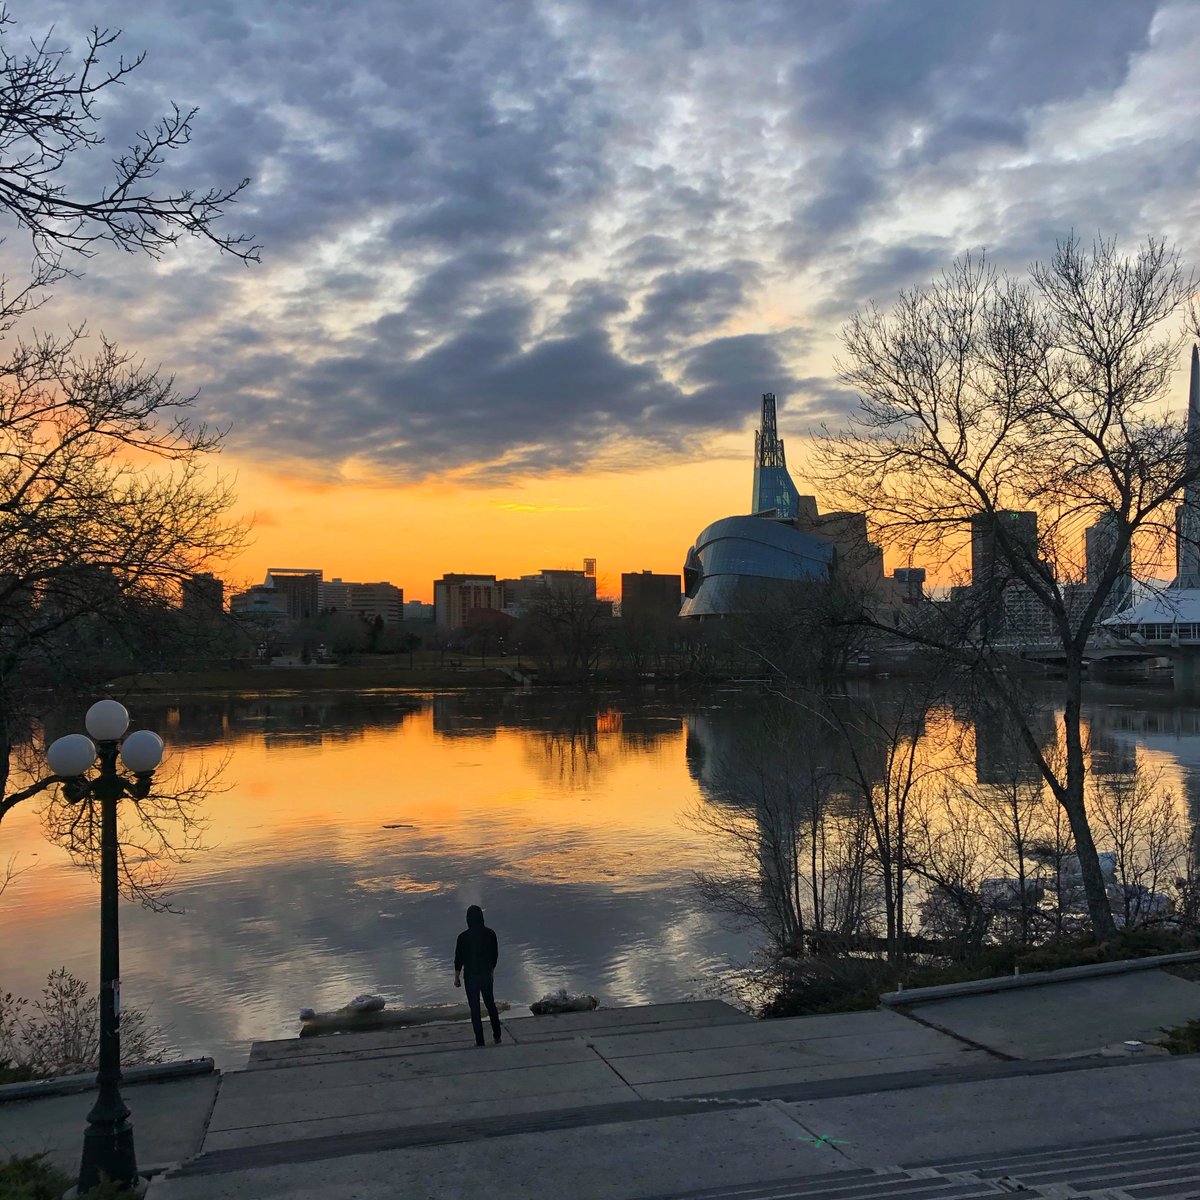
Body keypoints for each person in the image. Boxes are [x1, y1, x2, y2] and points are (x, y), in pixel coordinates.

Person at [454, 904, 502, 1046]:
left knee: (475, 1010)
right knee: (490, 1005)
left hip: (470, 977)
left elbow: (459, 959)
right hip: (486, 974)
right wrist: (491, 969)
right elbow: (495, 955)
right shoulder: (490, 934)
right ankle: (497, 1036)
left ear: (468, 919)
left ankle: (480, 1041)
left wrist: (457, 977)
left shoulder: (462, 937)